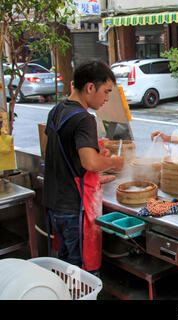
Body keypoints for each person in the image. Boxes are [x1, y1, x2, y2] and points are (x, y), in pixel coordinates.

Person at [43, 60, 124, 272]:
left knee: (64, 267)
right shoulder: (84, 118)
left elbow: (63, 152)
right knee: (80, 274)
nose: (107, 98)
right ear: (90, 87)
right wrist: (114, 163)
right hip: (73, 208)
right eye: (106, 92)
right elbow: (90, 162)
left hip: (53, 203)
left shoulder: (57, 110)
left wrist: (93, 152)